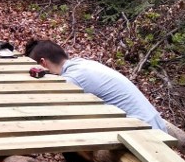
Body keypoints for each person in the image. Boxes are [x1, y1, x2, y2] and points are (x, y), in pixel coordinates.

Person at [25, 40, 168, 132]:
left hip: (146, 133)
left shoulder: (75, 78)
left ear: (43, 63)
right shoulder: (82, 64)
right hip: (155, 125)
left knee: (67, 125)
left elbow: (47, 104)